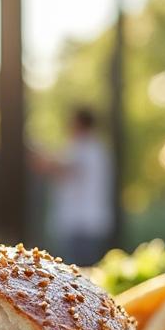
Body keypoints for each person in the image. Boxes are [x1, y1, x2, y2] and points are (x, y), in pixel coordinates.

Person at [34, 106, 114, 266]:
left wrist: (43, 158)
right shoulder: (93, 148)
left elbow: (64, 168)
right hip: (83, 223)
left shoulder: (86, 149)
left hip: (81, 225)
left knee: (79, 272)